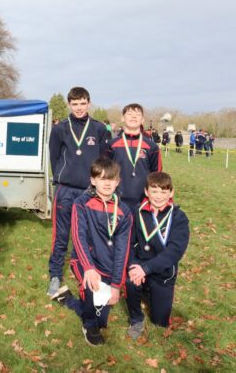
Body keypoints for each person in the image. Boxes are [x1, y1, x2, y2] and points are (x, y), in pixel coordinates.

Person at [51, 158, 132, 346]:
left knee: (102, 318)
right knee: (95, 319)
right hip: (84, 262)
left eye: (111, 179)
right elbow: (78, 237)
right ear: (93, 180)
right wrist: (88, 268)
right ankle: (88, 325)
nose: (106, 183)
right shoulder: (81, 203)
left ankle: (68, 299)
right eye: (101, 178)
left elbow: (122, 249)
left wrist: (116, 284)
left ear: (118, 181)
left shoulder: (124, 211)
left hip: (108, 266)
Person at [47, 86, 109, 297]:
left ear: (89, 104)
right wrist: (63, 179)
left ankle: (81, 268)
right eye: (75, 104)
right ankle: (55, 275)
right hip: (65, 191)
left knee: (86, 235)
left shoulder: (99, 129)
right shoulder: (59, 129)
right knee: (61, 236)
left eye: (83, 103)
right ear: (69, 104)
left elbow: (104, 161)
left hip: (89, 191)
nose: (79, 108)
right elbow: (54, 157)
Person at [126, 172, 189, 339]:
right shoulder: (136, 212)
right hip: (139, 265)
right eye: (154, 191)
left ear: (171, 193)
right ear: (146, 192)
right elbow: (130, 244)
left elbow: (174, 252)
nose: (159, 196)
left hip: (163, 273)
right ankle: (136, 318)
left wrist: (146, 269)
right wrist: (133, 267)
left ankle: (150, 293)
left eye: (163, 191)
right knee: (130, 282)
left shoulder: (179, 217)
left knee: (160, 322)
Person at [108, 104, 161, 212]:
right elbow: (105, 174)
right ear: (122, 118)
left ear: (142, 119)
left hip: (143, 201)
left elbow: (157, 175)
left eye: (137, 114)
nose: (133, 117)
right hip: (117, 200)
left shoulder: (151, 146)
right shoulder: (111, 145)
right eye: (130, 114)